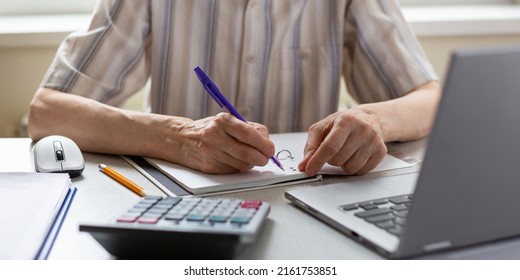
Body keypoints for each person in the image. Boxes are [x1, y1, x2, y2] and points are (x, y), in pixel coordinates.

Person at [28, 0, 440, 176]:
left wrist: (372, 119)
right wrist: (180, 138)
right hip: (184, 215)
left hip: (312, 211)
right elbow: (48, 112)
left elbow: (430, 99)